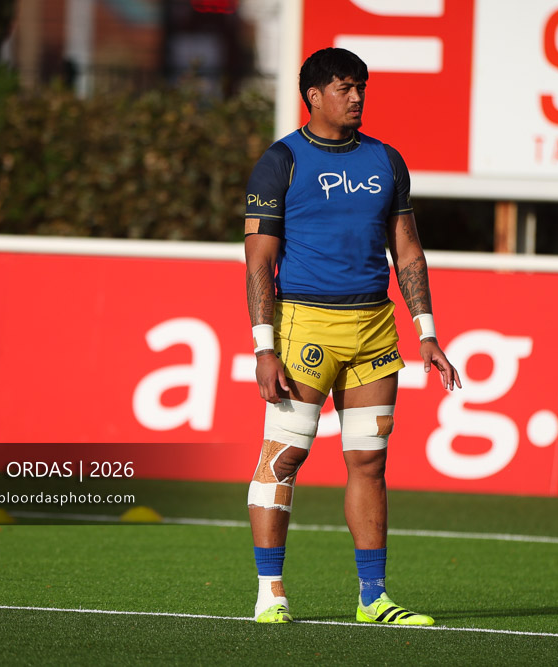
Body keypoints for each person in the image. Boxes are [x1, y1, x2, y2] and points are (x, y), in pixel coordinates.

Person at [243, 47, 461, 625]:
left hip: (373, 329)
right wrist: (264, 346)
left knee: (369, 462)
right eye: (345, 87)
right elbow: (259, 263)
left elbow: (407, 249)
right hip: (304, 326)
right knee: (284, 457)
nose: (357, 96)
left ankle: (373, 598)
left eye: (361, 86)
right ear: (313, 96)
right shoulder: (280, 162)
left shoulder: (386, 161)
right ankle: (271, 594)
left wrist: (427, 333)